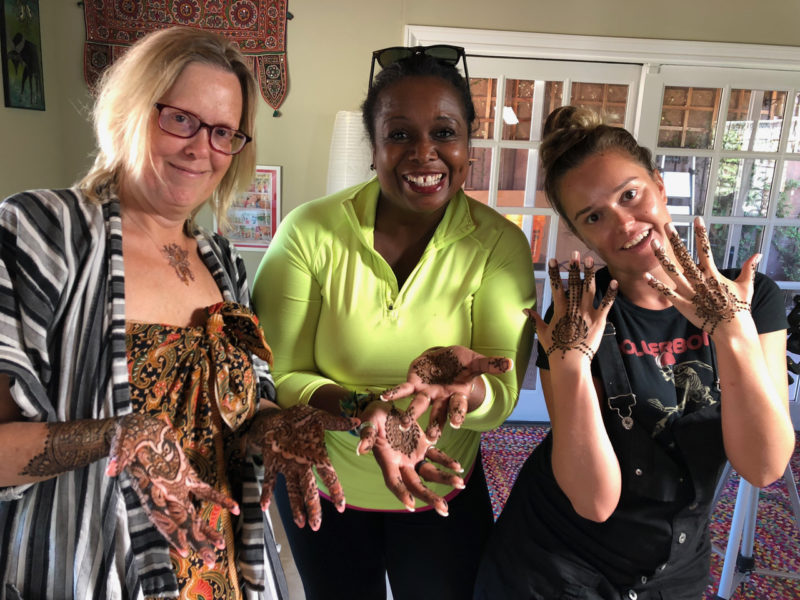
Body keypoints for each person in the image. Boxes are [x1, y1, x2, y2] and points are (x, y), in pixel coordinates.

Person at [0, 27, 356, 600]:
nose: (201, 149)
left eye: (223, 133)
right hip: (93, 571)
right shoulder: (44, 235)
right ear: (131, 110)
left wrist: (276, 426)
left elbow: (244, 411)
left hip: (222, 571)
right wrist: (117, 436)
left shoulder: (224, 265)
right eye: (180, 119)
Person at [474, 105, 794, 600]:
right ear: (581, 234)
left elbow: (765, 465)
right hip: (553, 566)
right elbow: (593, 500)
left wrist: (732, 330)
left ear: (660, 189)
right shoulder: (576, 318)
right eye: (595, 216)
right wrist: (572, 364)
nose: (624, 223)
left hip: (675, 564)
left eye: (631, 194)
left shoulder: (751, 297)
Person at [252, 45, 536, 600]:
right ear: (374, 145)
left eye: (444, 133)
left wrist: (466, 389)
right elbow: (276, 375)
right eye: (400, 134)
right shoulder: (309, 232)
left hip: (440, 490)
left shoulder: (499, 245)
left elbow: (499, 398)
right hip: (323, 481)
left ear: (468, 144)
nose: (424, 154)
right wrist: (364, 409)